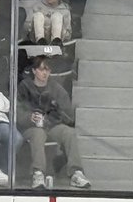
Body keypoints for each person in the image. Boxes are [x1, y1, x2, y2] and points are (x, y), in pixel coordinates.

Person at [16, 56, 92, 190]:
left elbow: (66, 113)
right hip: (31, 127)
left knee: (69, 133)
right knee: (38, 134)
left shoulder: (56, 88)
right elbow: (17, 110)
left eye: (48, 70)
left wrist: (50, 118)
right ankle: (38, 173)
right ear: (34, 71)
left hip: (52, 125)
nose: (45, 73)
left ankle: (76, 173)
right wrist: (29, 117)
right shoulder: (24, 86)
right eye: (41, 69)